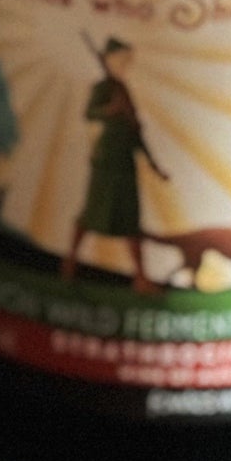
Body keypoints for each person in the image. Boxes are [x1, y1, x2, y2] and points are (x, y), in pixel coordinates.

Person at [63, 39, 165, 291]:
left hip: (125, 162)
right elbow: (90, 113)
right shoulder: (103, 88)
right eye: (121, 59)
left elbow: (136, 133)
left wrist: (154, 165)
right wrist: (110, 109)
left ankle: (140, 278)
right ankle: (70, 263)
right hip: (106, 161)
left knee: (130, 222)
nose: (125, 64)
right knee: (90, 214)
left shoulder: (122, 87)